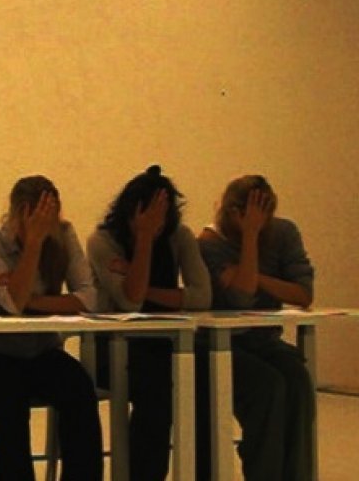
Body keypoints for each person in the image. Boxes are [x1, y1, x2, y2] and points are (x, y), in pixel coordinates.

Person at [0, 175, 103, 481]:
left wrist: (33, 301)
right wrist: (33, 245)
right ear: (19, 213)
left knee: (79, 388)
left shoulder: (64, 235)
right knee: (8, 398)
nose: (46, 224)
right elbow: (13, 303)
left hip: (41, 349)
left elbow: (89, 298)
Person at [87, 165, 211, 480]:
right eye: (146, 217)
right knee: (156, 392)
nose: (156, 226)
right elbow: (130, 302)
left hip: (167, 342)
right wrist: (143, 240)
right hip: (116, 347)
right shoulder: (102, 241)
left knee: (205, 382)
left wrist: (143, 285)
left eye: (162, 219)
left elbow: (201, 296)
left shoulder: (179, 237)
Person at [197, 175, 315, 481]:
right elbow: (241, 296)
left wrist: (255, 276)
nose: (260, 221)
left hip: (265, 340)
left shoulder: (284, 233)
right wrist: (250, 237)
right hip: (222, 344)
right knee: (268, 386)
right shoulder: (209, 244)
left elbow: (303, 294)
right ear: (232, 212)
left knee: (298, 380)